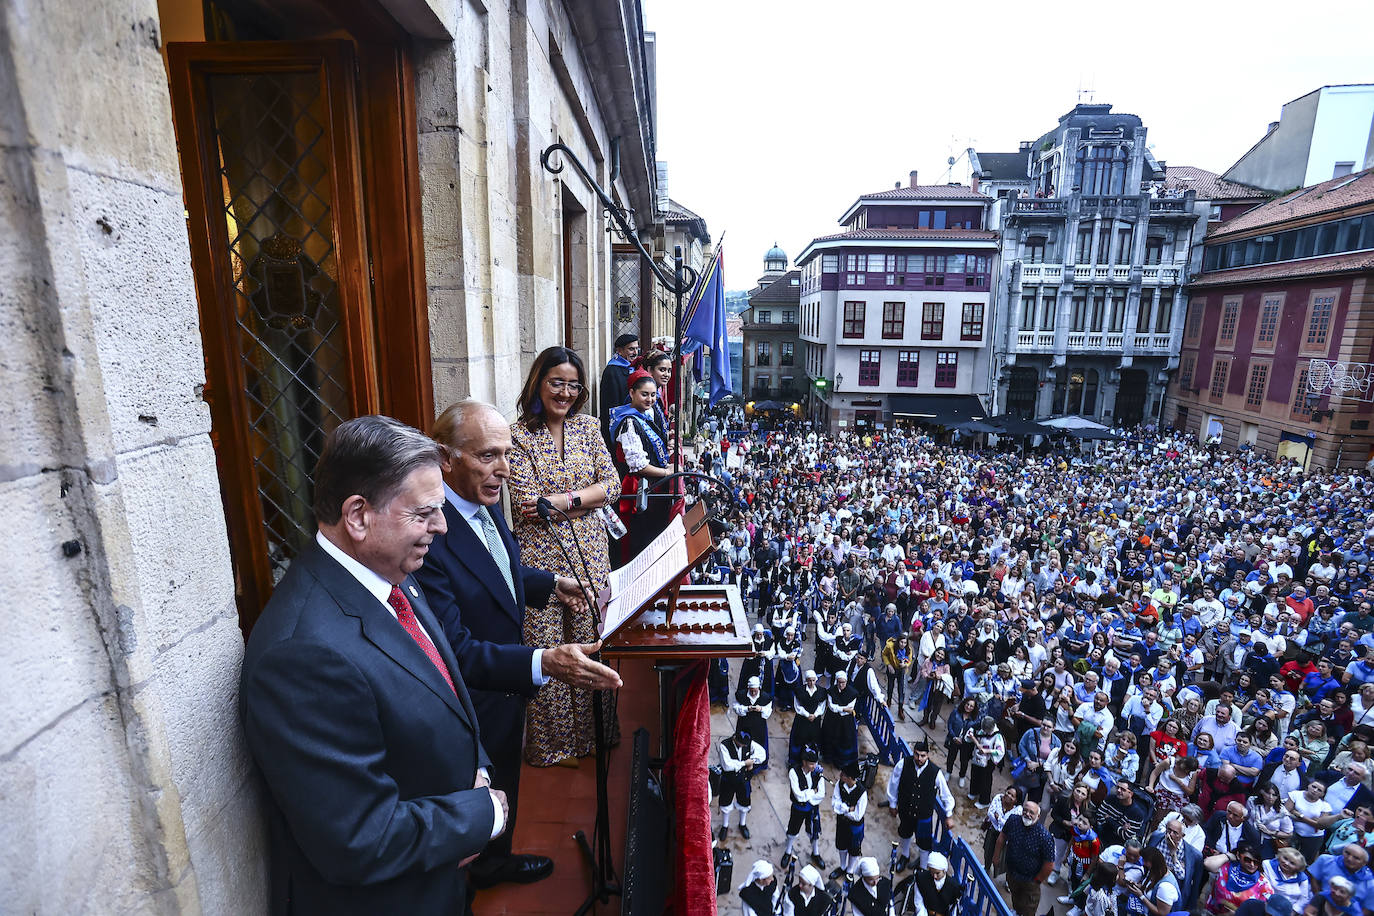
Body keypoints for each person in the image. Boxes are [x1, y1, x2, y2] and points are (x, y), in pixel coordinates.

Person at [239, 415, 504, 914]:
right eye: (424, 513)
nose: (441, 528)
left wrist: (479, 771)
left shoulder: (390, 573)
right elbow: (357, 837)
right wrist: (482, 813)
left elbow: (443, 689)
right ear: (358, 515)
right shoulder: (304, 655)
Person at [418, 400, 622, 890]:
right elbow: (456, 649)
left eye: (507, 455)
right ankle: (478, 871)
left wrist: (551, 584)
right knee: (482, 790)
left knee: (507, 776)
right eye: (489, 456)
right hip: (475, 695)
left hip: (504, 690)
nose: (505, 471)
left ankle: (496, 860)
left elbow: (498, 572)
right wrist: (544, 662)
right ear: (446, 459)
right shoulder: (432, 531)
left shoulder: (482, 506)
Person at [507, 346, 621, 767]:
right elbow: (527, 506)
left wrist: (565, 499)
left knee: (592, 646)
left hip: (591, 557)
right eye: (557, 382)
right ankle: (555, 747)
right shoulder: (517, 436)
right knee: (548, 653)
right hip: (539, 562)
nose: (566, 392)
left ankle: (596, 735)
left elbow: (613, 486)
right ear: (539, 382)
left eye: (574, 384)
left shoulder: (589, 429)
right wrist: (584, 500)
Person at [608, 369, 674, 561]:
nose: (650, 399)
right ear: (631, 393)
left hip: (649, 488)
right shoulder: (629, 422)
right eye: (644, 394)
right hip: (637, 489)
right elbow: (638, 466)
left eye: (653, 395)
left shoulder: (645, 415)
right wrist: (667, 471)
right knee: (638, 540)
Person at [888, 737, 957, 872]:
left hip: (924, 814)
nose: (919, 758)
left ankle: (923, 867)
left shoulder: (935, 772)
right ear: (913, 753)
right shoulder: (903, 764)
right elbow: (893, 783)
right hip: (906, 809)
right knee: (905, 832)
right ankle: (905, 856)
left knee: (924, 842)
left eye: (923, 756)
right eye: (917, 754)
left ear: (927, 755)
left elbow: (946, 795)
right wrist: (892, 803)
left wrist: (949, 815)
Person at [996, 800, 1057, 916]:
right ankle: (1016, 912)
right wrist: (996, 856)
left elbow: (1049, 864)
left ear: (1038, 816)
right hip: (1012, 872)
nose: (1027, 814)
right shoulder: (1013, 820)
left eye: (1031, 812)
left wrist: (1037, 880)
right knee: (1015, 895)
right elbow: (1002, 836)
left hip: (1030, 880)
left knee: (1029, 905)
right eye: (1025, 810)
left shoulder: (1045, 836)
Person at [718, 726, 766, 841]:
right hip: (728, 780)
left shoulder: (749, 743)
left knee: (744, 802)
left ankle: (742, 824)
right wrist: (744, 763)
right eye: (741, 743)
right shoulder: (724, 745)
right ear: (735, 738)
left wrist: (753, 761)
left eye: (745, 744)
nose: (744, 746)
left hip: (743, 779)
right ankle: (725, 825)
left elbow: (762, 754)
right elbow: (727, 765)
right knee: (725, 802)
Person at [1203, 842, 1275, 915]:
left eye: (1256, 862)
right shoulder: (1226, 867)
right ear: (1238, 855)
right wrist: (1228, 856)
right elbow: (1207, 864)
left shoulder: (1263, 884)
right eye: (1247, 860)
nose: (1252, 865)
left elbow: (1265, 911)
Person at [784, 745, 827, 867]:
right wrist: (812, 792)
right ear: (804, 762)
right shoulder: (794, 772)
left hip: (812, 808)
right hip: (798, 808)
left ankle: (816, 853)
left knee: (814, 830)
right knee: (793, 829)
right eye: (811, 764)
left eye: (815, 763)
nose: (814, 766)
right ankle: (788, 851)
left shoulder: (818, 773)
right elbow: (798, 795)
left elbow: (821, 794)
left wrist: (808, 797)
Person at [1148, 815, 1204, 907]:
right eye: (1169, 830)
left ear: (1182, 835)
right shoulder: (1157, 837)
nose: (1170, 835)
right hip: (1151, 881)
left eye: (1175, 833)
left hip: (1170, 890)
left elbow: (1182, 876)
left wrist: (1173, 854)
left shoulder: (1191, 854)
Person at [598, 331, 638, 444]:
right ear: (619, 351)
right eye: (631, 349)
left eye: (636, 349)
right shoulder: (612, 371)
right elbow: (612, 404)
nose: (635, 352)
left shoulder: (633, 367)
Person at [832, 762, 869, 875]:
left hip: (855, 827)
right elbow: (835, 804)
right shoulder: (840, 785)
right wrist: (848, 809)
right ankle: (843, 867)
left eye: (843, 774)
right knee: (841, 845)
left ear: (850, 778)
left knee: (854, 849)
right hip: (842, 823)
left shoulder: (862, 793)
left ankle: (850, 870)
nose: (840, 775)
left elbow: (858, 816)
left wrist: (842, 809)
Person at [733, 675, 774, 770]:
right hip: (744, 724)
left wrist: (761, 709)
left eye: (755, 690)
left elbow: (768, 712)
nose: (753, 692)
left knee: (758, 743)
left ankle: (755, 765)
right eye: (751, 690)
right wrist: (747, 709)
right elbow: (736, 708)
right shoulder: (741, 695)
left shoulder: (765, 697)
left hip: (758, 726)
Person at [822, 669, 859, 769]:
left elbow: (850, 708)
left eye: (843, 682)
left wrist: (839, 708)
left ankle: (841, 762)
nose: (841, 685)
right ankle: (828, 758)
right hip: (832, 719)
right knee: (830, 737)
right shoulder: (831, 691)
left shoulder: (853, 693)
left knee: (845, 739)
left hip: (846, 722)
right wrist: (843, 708)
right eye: (839, 682)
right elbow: (831, 707)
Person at [968, 715, 1007, 809]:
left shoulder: (997, 736)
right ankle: (974, 791)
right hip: (978, 758)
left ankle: (984, 801)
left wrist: (987, 751)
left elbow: (1000, 751)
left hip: (988, 761)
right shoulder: (981, 730)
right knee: (975, 774)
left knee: (985, 780)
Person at [790, 669, 828, 767]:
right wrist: (807, 715)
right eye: (809, 680)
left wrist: (815, 715)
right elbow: (797, 706)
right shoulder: (799, 691)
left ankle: (811, 759)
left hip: (815, 720)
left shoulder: (821, 691)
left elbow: (821, 705)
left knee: (814, 739)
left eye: (813, 680)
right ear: (806, 680)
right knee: (799, 738)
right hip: (802, 719)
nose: (811, 683)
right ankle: (796, 760)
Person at [913, 851, 960, 916]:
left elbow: (953, 908)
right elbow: (918, 901)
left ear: (944, 870)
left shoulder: (953, 886)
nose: (934, 876)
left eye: (937, 873)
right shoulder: (921, 878)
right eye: (932, 872)